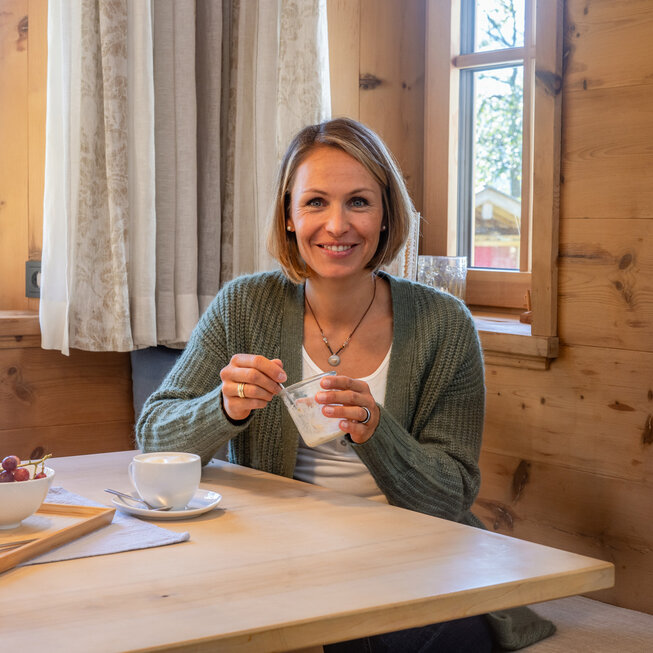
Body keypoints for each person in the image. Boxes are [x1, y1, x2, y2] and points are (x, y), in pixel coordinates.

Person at [136, 117, 552, 651]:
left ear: (385, 216)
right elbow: (153, 437)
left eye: (358, 201)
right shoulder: (245, 305)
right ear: (289, 216)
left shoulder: (444, 324)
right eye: (315, 203)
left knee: (425, 638)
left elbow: (452, 495)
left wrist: (377, 431)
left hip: (406, 551)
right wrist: (225, 407)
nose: (337, 225)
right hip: (269, 551)